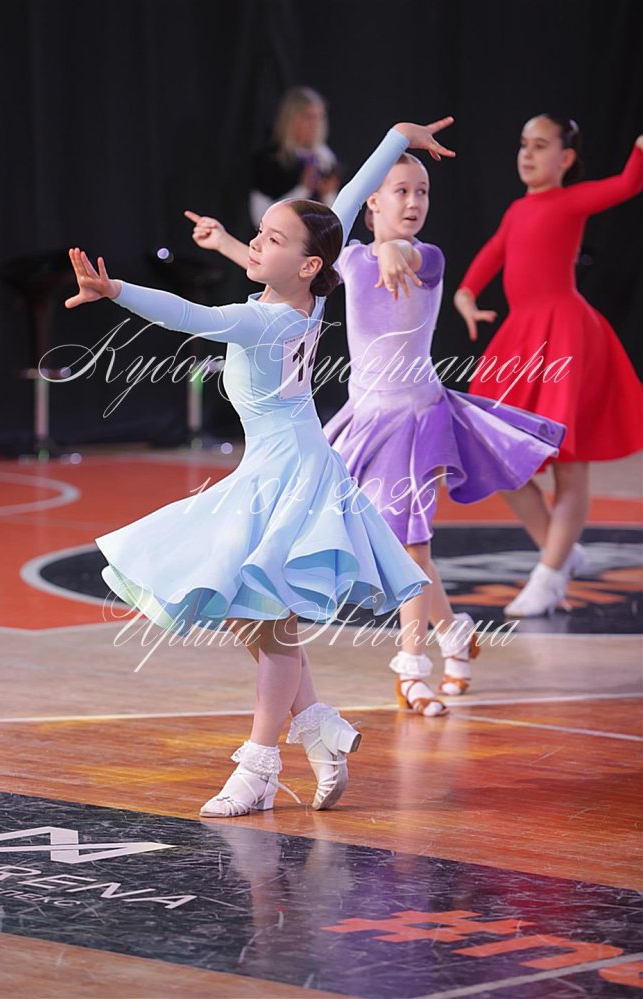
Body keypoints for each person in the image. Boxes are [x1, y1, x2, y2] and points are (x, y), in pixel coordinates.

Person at [65, 118, 456, 817]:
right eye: (260, 233)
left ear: (306, 265)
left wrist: (117, 289)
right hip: (284, 465)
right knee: (251, 617)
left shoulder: (266, 322)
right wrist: (397, 137)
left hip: (288, 475)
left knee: (270, 624)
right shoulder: (307, 294)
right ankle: (320, 730)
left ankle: (259, 767)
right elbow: (346, 202)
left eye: (272, 240)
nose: (256, 244)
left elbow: (188, 316)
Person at [190, 153, 564, 715]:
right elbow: (283, 266)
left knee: (411, 543)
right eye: (401, 191)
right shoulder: (348, 260)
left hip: (417, 420)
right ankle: (453, 631)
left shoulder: (428, 257)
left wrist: (393, 249)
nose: (414, 202)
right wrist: (222, 241)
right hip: (363, 418)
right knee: (396, 545)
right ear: (372, 201)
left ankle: (412, 669)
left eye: (422, 191)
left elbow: (406, 255)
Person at [454, 116, 643, 617]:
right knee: (496, 453)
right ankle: (559, 553)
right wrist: (466, 292)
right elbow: (494, 252)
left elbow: (629, 183)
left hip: (565, 336)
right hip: (521, 338)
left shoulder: (571, 200)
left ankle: (549, 573)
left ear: (566, 158)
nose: (527, 154)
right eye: (523, 144)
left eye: (540, 146)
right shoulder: (518, 209)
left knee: (568, 460)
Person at [249, 86, 340, 228]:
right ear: (290, 118)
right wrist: (303, 189)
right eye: (308, 117)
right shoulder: (270, 159)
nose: (315, 125)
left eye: (319, 117)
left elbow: (335, 219)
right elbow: (259, 217)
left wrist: (328, 194)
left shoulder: (326, 158)